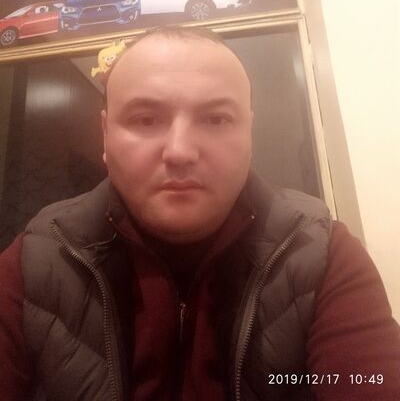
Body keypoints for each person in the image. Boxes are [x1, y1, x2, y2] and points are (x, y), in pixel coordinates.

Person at [0, 26, 399, 401]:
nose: (180, 151)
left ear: (248, 133)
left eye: (216, 119)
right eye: (145, 119)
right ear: (105, 135)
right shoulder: (35, 262)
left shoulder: (319, 252)